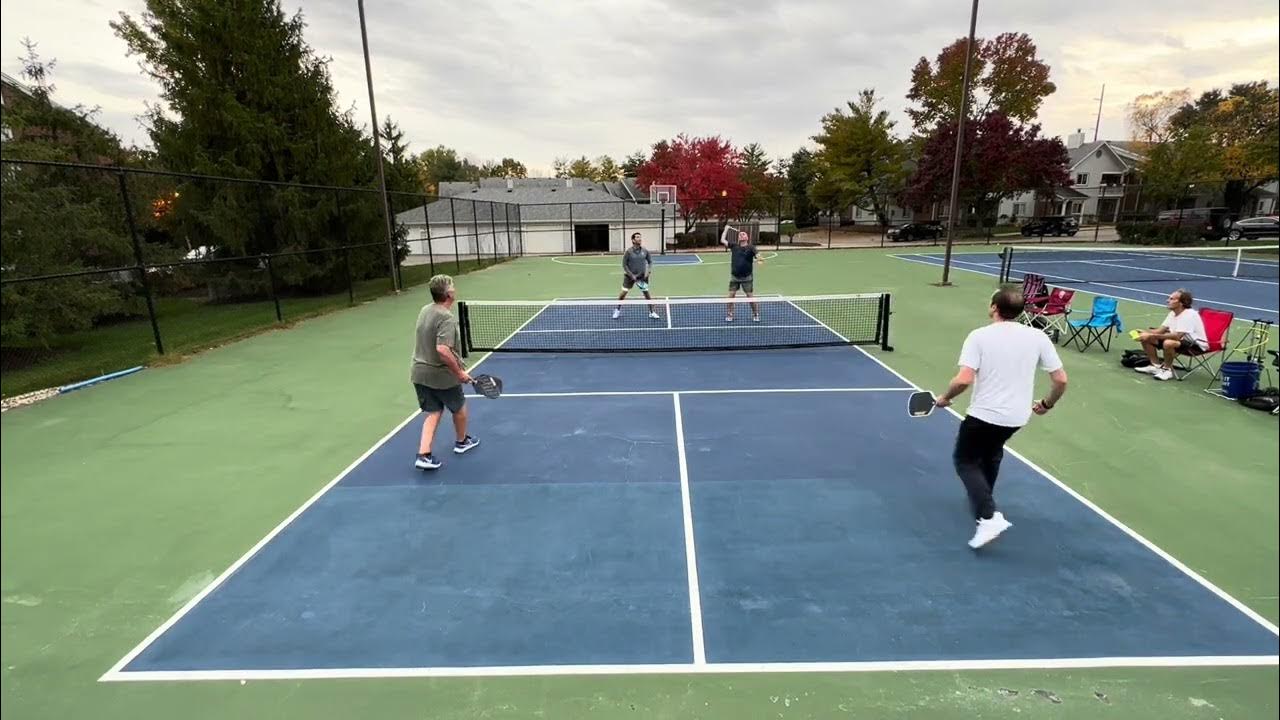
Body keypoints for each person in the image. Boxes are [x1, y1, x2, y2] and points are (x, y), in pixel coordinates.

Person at [935, 288, 1069, 549]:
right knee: (993, 452)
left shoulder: (979, 336)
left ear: (994, 307)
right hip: (1017, 417)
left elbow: (964, 379)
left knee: (965, 461)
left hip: (984, 414)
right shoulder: (1038, 336)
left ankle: (988, 516)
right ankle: (985, 497)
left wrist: (945, 397)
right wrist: (1046, 404)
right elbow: (1061, 379)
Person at [410, 274, 479, 470]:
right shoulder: (446, 318)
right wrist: (459, 373)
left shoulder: (425, 310)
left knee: (433, 412)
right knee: (459, 408)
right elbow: (442, 349)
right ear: (448, 294)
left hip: (419, 372)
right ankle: (462, 441)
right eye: (453, 287)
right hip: (441, 376)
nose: (455, 289)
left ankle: (423, 454)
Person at [1134, 289, 1208, 381]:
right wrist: (1146, 333)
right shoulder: (1172, 313)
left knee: (1168, 343)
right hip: (1180, 341)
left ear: (1181, 303)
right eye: (1169, 298)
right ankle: (1155, 366)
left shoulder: (1189, 315)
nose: (1167, 300)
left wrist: (1150, 335)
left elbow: (1177, 336)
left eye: (1172, 299)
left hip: (1195, 345)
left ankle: (1167, 370)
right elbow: (1160, 331)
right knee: (1145, 338)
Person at [614, 232, 660, 320]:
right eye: (638, 237)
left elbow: (650, 262)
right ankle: (617, 310)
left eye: (640, 237)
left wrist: (648, 271)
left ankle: (651, 312)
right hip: (629, 277)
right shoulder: (628, 252)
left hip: (642, 277)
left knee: (646, 294)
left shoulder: (645, 251)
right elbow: (624, 265)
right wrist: (631, 275)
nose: (640, 239)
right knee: (623, 294)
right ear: (633, 240)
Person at [721, 228, 762, 322]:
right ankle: (730, 314)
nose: (741, 235)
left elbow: (758, 254)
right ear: (738, 238)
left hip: (747, 277)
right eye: (740, 234)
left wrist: (759, 259)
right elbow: (722, 240)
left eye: (743, 234)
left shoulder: (751, 247)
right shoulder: (734, 246)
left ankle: (755, 313)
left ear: (747, 237)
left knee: (750, 297)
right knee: (731, 296)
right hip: (735, 277)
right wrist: (726, 229)